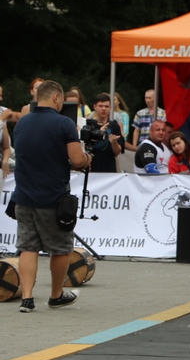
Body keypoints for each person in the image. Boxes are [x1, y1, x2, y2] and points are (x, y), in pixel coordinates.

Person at [11, 80, 93, 312]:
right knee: (61, 248)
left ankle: (27, 298)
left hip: (23, 196)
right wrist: (87, 158)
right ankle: (56, 295)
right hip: (52, 197)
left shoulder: (22, 122)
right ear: (56, 97)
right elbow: (77, 160)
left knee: (28, 247)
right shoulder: (64, 123)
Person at [86, 93, 125, 173]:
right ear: (95, 107)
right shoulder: (88, 125)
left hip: (109, 169)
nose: (103, 109)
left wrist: (114, 142)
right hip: (91, 168)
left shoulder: (114, 126)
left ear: (110, 108)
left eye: (106, 106)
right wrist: (99, 133)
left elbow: (117, 152)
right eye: (100, 106)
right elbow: (85, 148)